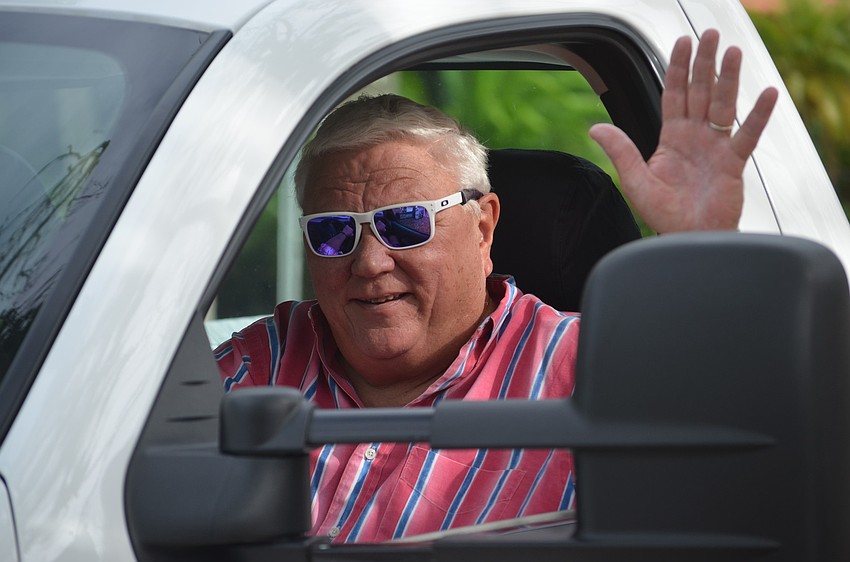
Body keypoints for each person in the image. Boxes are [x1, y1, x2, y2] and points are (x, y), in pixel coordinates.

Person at [215, 29, 778, 542]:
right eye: (333, 231)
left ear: (483, 228)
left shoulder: (589, 371)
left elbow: (734, 441)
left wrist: (702, 248)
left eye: (405, 224)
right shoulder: (261, 363)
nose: (369, 262)